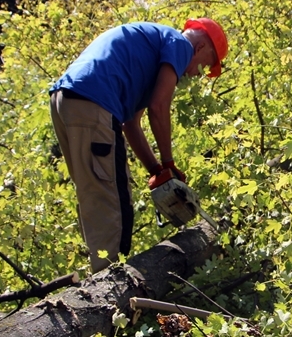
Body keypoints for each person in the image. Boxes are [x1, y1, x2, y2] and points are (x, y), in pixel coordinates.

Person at [49, 18, 228, 272]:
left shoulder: (153, 46)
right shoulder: (180, 44)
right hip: (94, 103)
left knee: (95, 194)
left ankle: (97, 276)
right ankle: (108, 288)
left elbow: (131, 123)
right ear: (200, 48)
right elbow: (158, 107)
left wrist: (157, 171)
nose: (197, 75)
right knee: (114, 203)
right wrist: (168, 163)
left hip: (65, 101)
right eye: (205, 66)